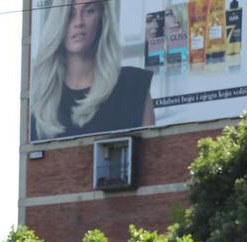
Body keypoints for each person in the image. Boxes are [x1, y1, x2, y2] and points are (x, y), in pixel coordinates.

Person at [30, 0, 156, 141]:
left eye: (89, 11)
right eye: (70, 14)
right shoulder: (41, 101)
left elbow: (151, 156)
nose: (78, 22)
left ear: (102, 19)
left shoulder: (134, 85)